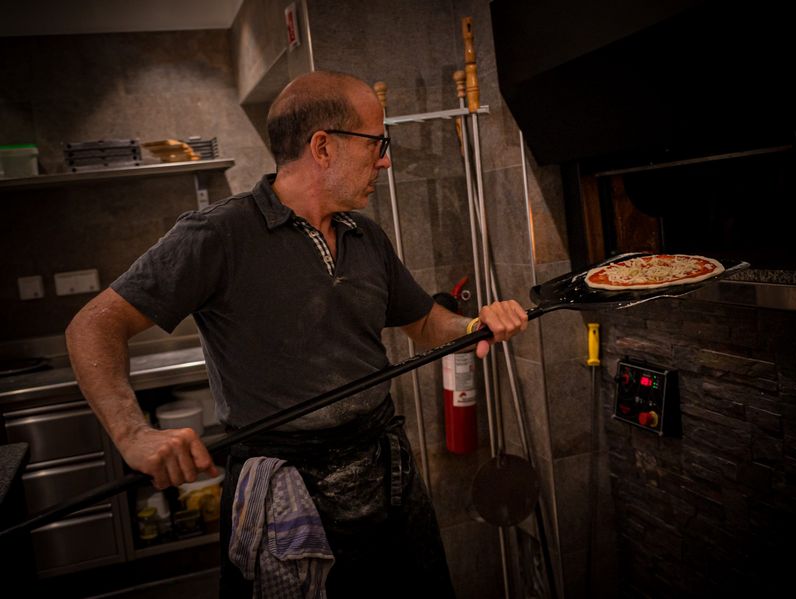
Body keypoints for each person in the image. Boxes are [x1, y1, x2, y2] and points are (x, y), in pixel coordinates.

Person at [65, 70, 528, 598]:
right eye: (378, 144)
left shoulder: (366, 236)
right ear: (323, 147)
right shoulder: (218, 234)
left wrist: (473, 325)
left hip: (387, 474)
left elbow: (423, 323)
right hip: (285, 487)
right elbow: (94, 325)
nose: (385, 160)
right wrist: (133, 434)